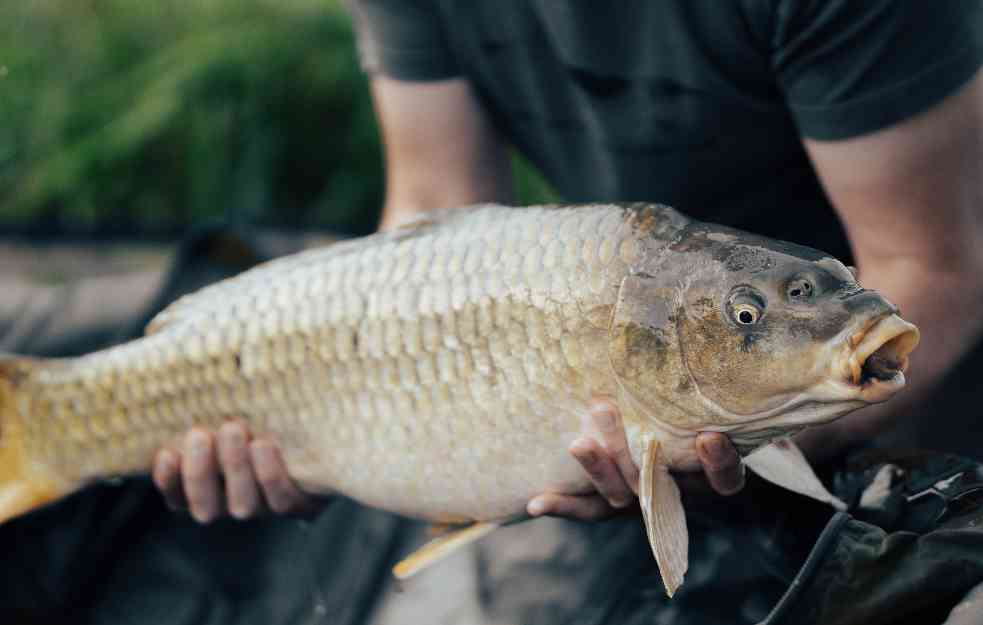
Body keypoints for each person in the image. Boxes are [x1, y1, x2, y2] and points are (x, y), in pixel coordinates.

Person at [11, 2, 981, 624]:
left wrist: (740, 437)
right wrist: (328, 424)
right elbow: (430, 205)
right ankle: (38, 428)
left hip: (876, 382)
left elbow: (931, 267)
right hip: (628, 327)